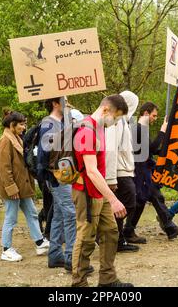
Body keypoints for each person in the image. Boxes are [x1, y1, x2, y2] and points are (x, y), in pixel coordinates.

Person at [71, 94, 133, 287]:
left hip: (100, 190)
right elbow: (90, 170)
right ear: (106, 110)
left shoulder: (98, 128)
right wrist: (114, 199)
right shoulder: (86, 131)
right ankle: (79, 284)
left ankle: (107, 279)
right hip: (86, 192)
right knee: (86, 238)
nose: (115, 123)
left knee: (110, 231)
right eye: (116, 118)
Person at [125, 102, 178, 242]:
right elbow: (151, 149)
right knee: (144, 200)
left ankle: (167, 227)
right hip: (140, 171)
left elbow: (153, 150)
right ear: (146, 113)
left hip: (144, 170)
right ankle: (129, 231)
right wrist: (163, 131)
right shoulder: (138, 129)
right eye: (154, 115)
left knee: (149, 199)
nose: (155, 118)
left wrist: (171, 151)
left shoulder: (142, 128)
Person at [0, 111, 49, 262]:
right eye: (21, 124)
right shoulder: (5, 141)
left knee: (32, 213)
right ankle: (6, 249)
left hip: (22, 186)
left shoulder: (16, 138)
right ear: (12, 125)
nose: (24, 126)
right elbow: (3, 168)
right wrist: (11, 188)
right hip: (13, 188)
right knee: (11, 218)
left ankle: (40, 242)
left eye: (24, 123)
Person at [38, 98, 77, 271]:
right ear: (55, 103)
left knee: (61, 214)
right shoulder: (48, 124)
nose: (68, 104)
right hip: (58, 176)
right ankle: (71, 257)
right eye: (65, 100)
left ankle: (55, 255)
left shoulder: (61, 123)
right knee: (71, 214)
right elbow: (45, 153)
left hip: (62, 175)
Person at [105, 91, 141, 252]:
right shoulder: (117, 122)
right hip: (119, 172)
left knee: (125, 205)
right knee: (128, 205)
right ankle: (114, 238)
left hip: (123, 170)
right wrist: (111, 177)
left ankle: (117, 238)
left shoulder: (123, 122)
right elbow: (111, 149)